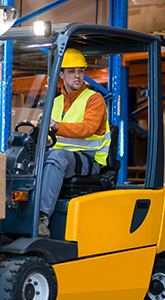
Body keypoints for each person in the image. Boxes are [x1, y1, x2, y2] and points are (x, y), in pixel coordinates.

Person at [38, 48, 111, 238]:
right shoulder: (55, 102)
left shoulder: (94, 99)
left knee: (55, 157)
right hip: (65, 159)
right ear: (61, 74)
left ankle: (41, 219)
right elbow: (48, 137)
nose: (77, 76)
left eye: (81, 71)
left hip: (89, 161)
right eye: (72, 71)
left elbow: (87, 128)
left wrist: (55, 127)